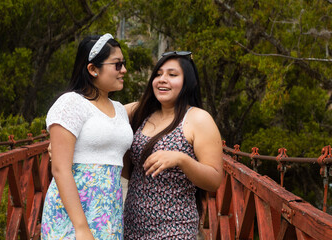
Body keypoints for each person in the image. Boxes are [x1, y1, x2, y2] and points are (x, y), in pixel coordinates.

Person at [41, 33, 133, 240]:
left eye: (123, 64)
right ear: (92, 69)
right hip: (73, 214)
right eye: (117, 65)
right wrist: (81, 228)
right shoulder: (70, 104)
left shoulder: (119, 110)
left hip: (109, 213)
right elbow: (60, 168)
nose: (124, 70)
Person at [122, 51, 223, 239]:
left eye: (172, 74)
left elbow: (214, 180)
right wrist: (63, 140)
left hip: (175, 228)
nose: (162, 79)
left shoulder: (198, 119)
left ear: (189, 82)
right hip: (132, 225)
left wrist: (181, 159)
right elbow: (100, 114)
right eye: (158, 74)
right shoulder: (140, 111)